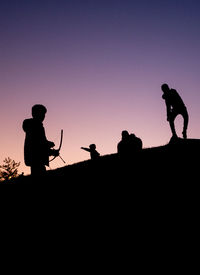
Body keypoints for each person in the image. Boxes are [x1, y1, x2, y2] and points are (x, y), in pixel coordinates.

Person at [22, 104, 59, 176]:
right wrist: (52, 151)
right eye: (42, 113)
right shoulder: (36, 126)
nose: (43, 116)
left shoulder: (32, 126)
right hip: (37, 160)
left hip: (34, 160)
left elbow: (40, 143)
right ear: (35, 114)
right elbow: (38, 145)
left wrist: (48, 145)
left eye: (44, 114)